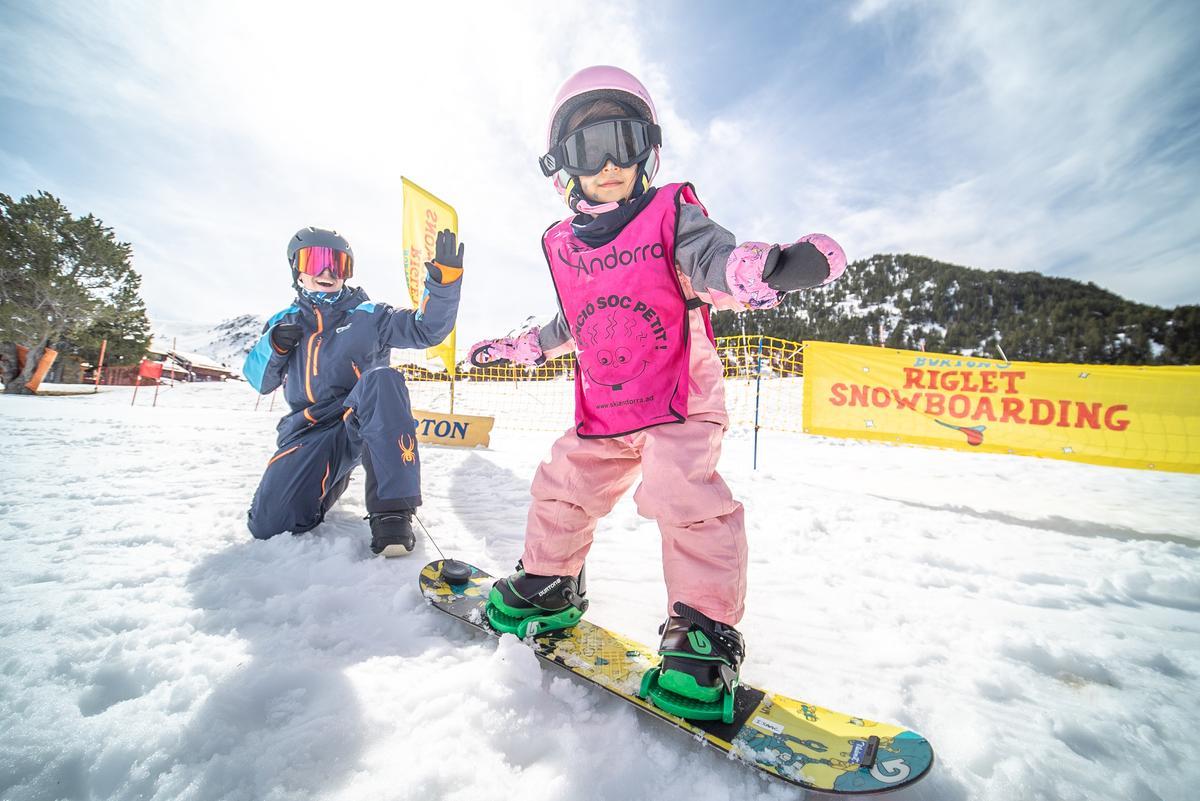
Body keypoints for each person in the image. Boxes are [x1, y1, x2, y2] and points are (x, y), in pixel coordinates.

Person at [468, 66, 845, 720]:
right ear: (564, 167)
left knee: (682, 495)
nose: (611, 161)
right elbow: (571, 321)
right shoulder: (565, 246)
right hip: (607, 404)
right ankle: (550, 583)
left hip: (679, 395)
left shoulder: (672, 215)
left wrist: (758, 270)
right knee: (562, 482)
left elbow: (712, 263)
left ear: (650, 148)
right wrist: (522, 346)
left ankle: (703, 634)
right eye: (590, 149)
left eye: (625, 139)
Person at [243, 226, 463, 556]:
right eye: (316, 261)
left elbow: (425, 329)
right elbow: (260, 381)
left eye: (338, 264)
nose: (328, 271)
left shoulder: (370, 315)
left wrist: (443, 283)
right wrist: (272, 346)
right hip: (308, 431)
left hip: (359, 419)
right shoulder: (284, 321)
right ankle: (326, 479)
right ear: (296, 269)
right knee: (268, 525)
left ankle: (392, 513)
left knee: (382, 379)